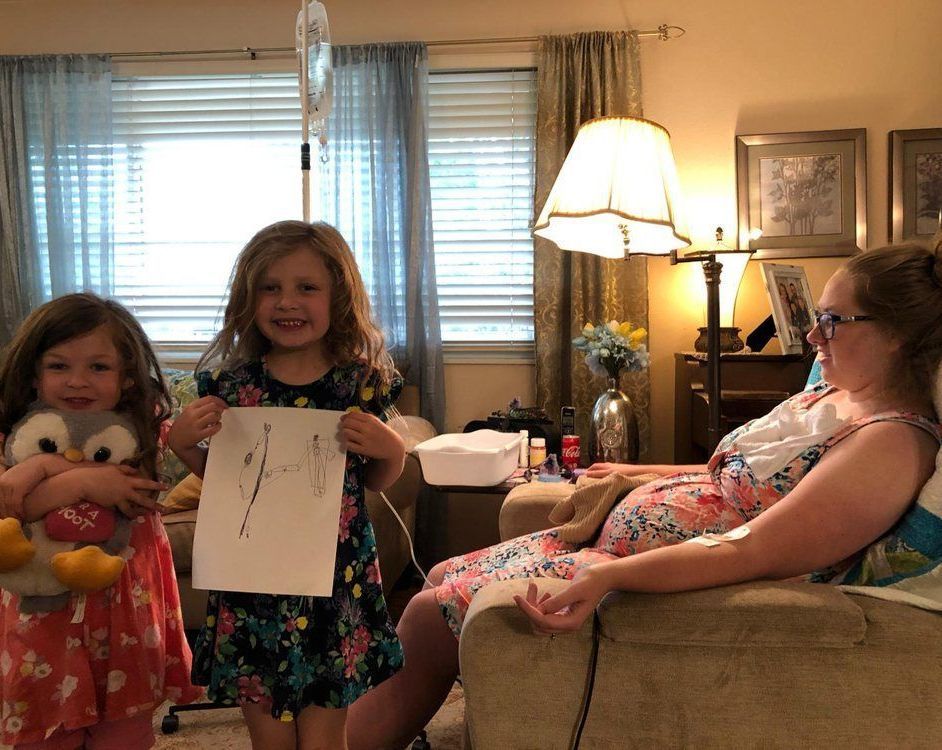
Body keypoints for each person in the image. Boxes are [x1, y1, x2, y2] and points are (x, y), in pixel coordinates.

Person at [346, 241, 942, 750]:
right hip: (621, 548)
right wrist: (636, 470)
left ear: (897, 336)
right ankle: (384, 718)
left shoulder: (889, 446)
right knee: (442, 574)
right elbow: (728, 476)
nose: (814, 334)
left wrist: (609, 580)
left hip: (650, 573)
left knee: (428, 613)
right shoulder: (831, 394)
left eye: (835, 321)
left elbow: (755, 549)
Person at [168, 220, 406, 750]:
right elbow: (229, 481)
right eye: (270, 288)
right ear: (249, 300)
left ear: (337, 296)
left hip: (332, 584)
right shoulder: (234, 387)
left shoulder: (358, 384)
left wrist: (392, 449)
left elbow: (371, 483)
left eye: (306, 287)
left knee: (324, 740)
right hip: (253, 588)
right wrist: (184, 445)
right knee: (270, 742)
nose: (286, 301)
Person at [0, 293, 202, 749]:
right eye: (59, 366)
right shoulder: (12, 433)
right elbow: (7, 504)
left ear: (127, 377)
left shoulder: (148, 431)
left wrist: (46, 473)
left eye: (98, 367)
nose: (78, 381)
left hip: (124, 627)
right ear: (34, 374)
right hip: (42, 631)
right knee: (43, 735)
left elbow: (152, 481)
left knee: (125, 736)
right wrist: (74, 481)